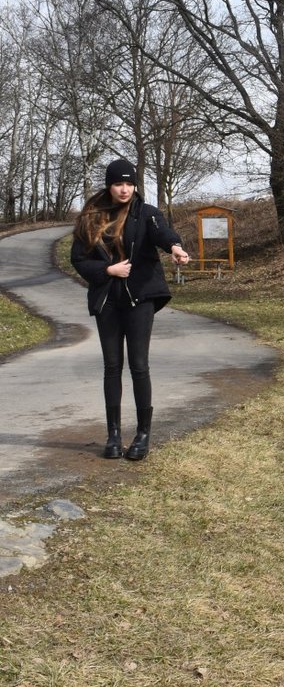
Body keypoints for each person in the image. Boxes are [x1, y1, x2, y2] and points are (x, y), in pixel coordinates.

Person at [71, 158, 190, 461]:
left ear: (135, 186)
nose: (124, 189)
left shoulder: (146, 214)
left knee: (139, 366)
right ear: (109, 186)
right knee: (112, 367)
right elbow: (79, 260)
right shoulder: (91, 217)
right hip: (107, 300)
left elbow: (163, 234)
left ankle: (143, 435)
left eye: (129, 183)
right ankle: (112, 436)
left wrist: (175, 248)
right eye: (118, 183)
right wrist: (108, 270)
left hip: (140, 299)